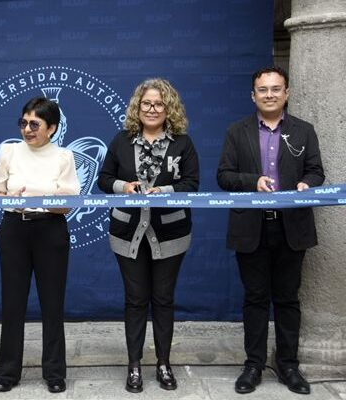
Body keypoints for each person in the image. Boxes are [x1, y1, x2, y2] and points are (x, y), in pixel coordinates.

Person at [217, 66, 324, 395]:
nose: (269, 95)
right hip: (251, 227)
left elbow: (316, 171)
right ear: (253, 96)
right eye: (263, 90)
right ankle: (253, 365)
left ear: (286, 93)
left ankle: (288, 365)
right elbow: (224, 176)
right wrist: (253, 181)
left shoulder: (304, 131)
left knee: (288, 299)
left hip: (292, 227)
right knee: (255, 298)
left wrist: (307, 184)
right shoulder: (236, 132)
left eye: (276, 89)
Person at [97, 78, 199, 393]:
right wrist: (124, 187)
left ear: (169, 108)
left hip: (170, 233)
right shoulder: (121, 140)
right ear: (137, 107)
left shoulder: (183, 143)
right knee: (136, 299)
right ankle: (134, 365)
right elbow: (104, 179)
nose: (152, 109)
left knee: (164, 299)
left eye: (158, 104)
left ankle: (164, 364)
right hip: (127, 232)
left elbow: (192, 184)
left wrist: (163, 191)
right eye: (146, 103)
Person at [0, 97, 80, 394]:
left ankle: (54, 372)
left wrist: (44, 202)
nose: (27, 129)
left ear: (51, 128)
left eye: (35, 124)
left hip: (50, 230)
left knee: (52, 303)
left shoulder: (64, 157)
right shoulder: (9, 152)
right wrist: (11, 200)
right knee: (12, 302)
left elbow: (67, 204)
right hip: (14, 228)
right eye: (23, 123)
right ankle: (8, 372)